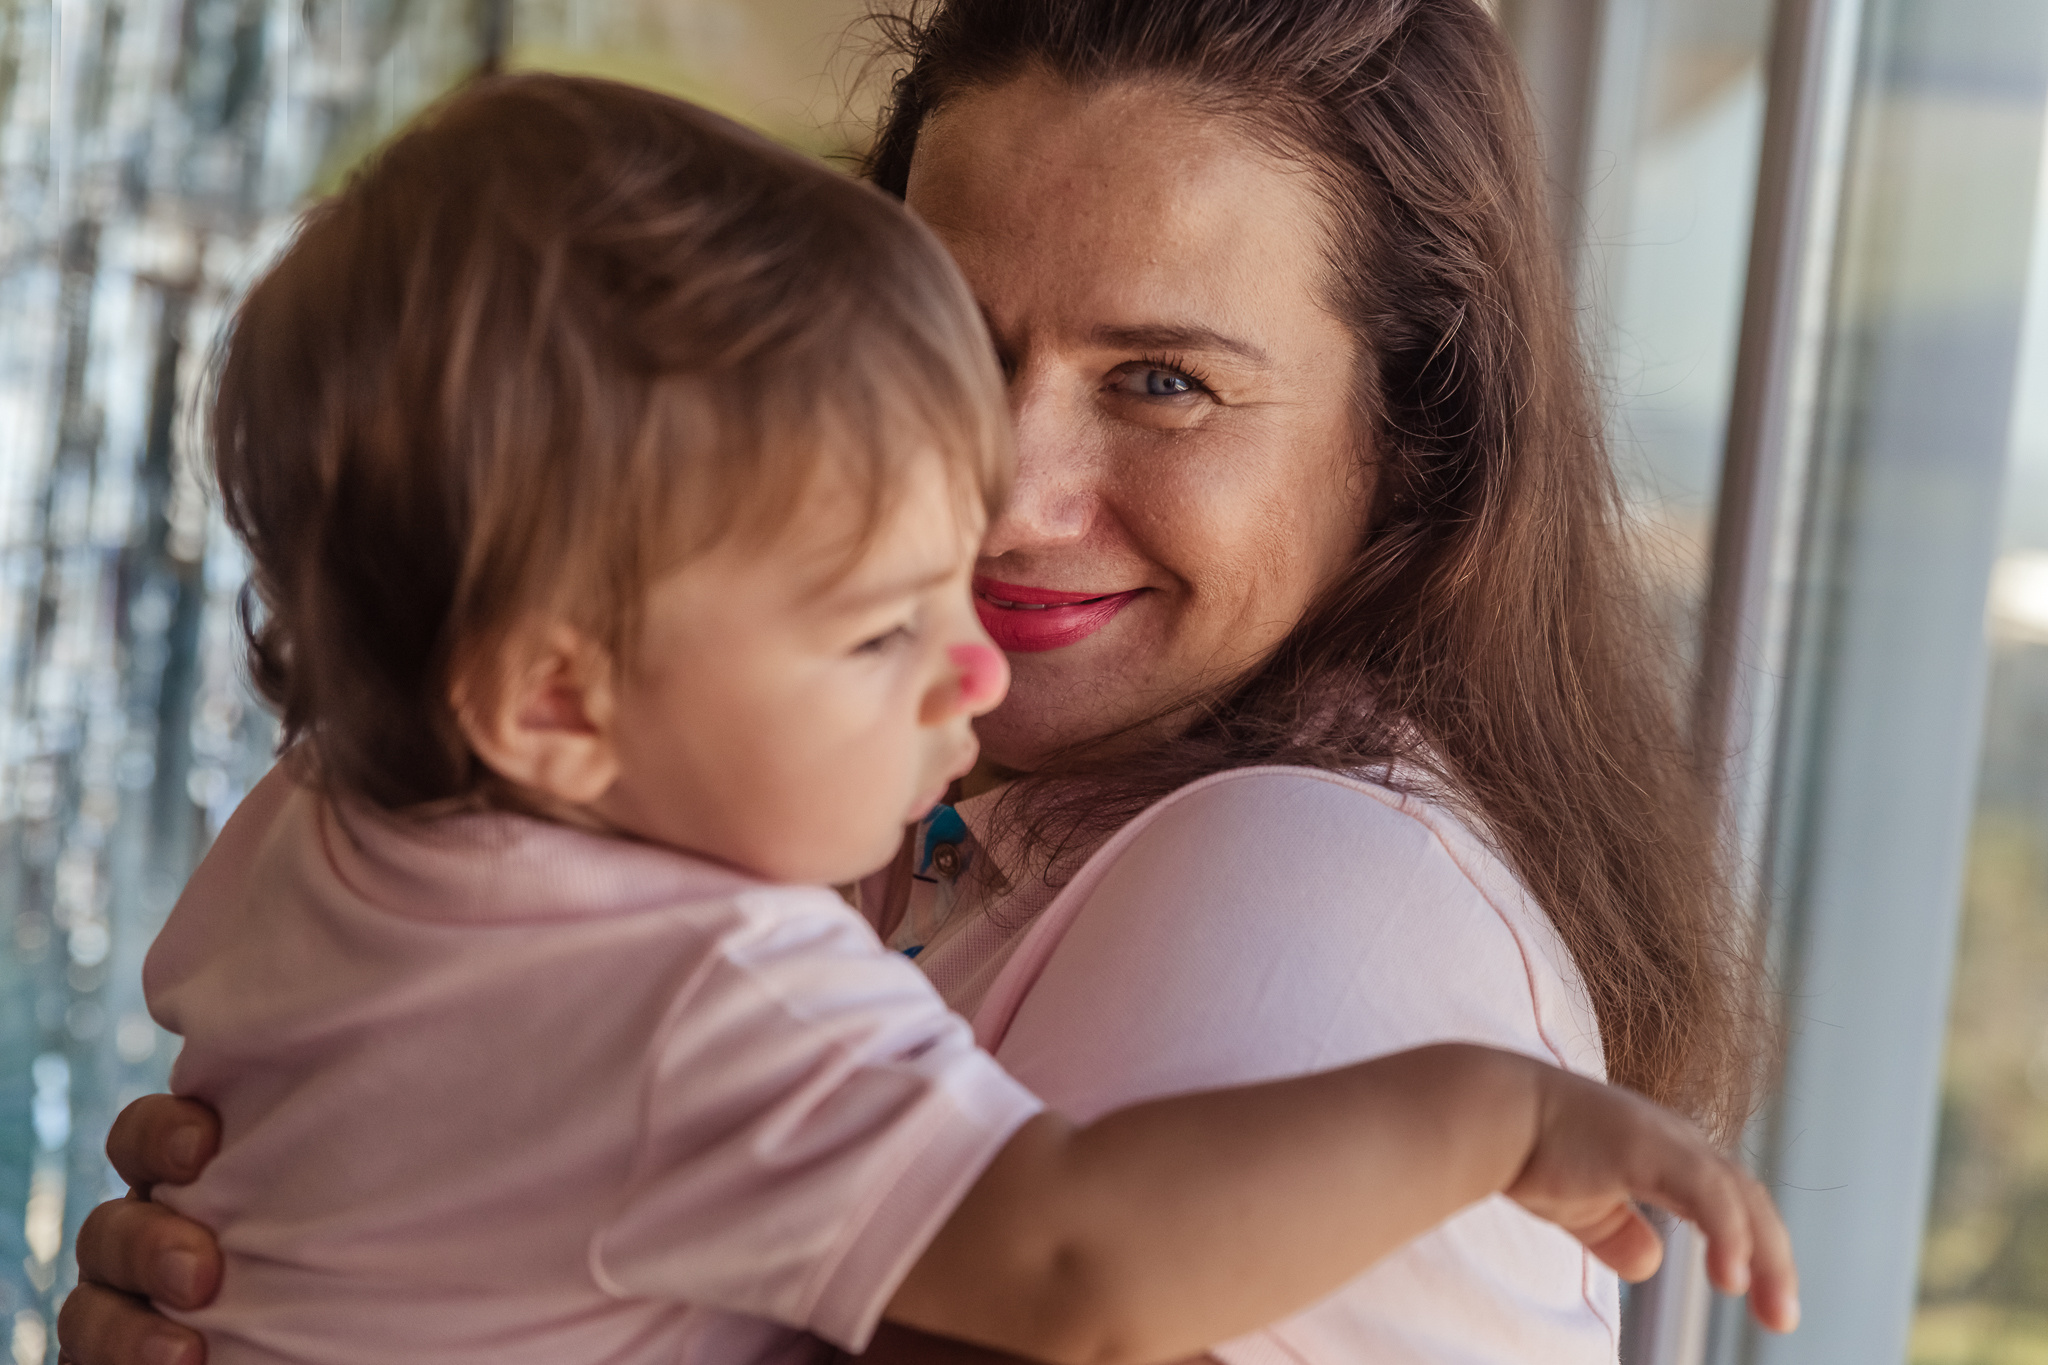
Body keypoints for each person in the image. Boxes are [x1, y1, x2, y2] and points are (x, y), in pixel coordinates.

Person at [61, 3, 1781, 1363]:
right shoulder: (762, 821)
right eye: (956, 347)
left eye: (1165, 380)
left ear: (1410, 448)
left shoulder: (1302, 878)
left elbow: (1073, 1256)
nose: (1001, 495)